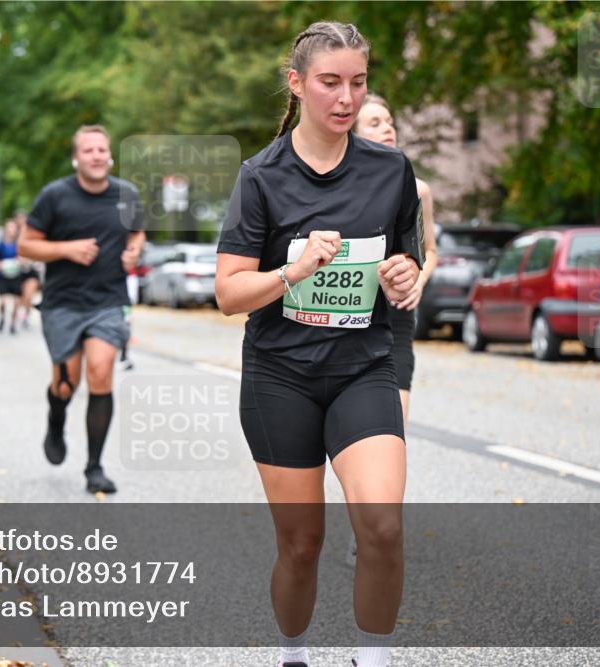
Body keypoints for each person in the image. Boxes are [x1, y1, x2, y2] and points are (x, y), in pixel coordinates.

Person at [214, 21, 422, 667]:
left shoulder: (391, 171)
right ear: (298, 83)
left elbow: (408, 263)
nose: (347, 98)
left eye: (358, 82)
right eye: (331, 82)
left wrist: (404, 275)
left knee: (382, 526)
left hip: (363, 367)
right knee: (302, 543)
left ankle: (373, 657)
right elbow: (228, 292)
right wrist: (292, 271)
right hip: (281, 376)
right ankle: (293, 653)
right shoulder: (262, 176)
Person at [18, 124, 145, 494]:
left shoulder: (127, 195)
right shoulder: (55, 196)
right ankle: (56, 421)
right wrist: (66, 249)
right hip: (62, 304)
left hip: (108, 301)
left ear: (110, 156)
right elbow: (26, 246)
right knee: (65, 384)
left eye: (102, 150)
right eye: (88, 150)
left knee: (101, 373)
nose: (96, 156)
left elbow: (137, 231)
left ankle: (94, 467)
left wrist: (134, 249)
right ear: (77, 158)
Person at [354, 93, 437, 422]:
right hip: (351, 316)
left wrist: (419, 279)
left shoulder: (418, 190)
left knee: (393, 427)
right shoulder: (339, 191)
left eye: (389, 122)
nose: (387, 128)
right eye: (374, 123)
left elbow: (429, 251)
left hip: (397, 318)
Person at [0, 218, 24, 335]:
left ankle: (13, 323)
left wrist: (19, 262)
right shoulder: (0, 245)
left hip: (15, 276)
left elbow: (24, 258)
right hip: (3, 276)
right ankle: (2, 317)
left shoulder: (19, 245)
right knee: (3, 301)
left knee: (16, 302)